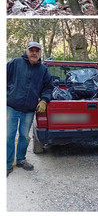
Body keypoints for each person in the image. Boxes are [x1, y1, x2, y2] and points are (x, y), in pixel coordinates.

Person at [7, 41, 53, 177]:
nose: (34, 53)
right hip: (12, 106)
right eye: (31, 50)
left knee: (24, 136)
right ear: (26, 51)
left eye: (37, 51)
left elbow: (49, 87)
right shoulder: (15, 63)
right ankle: (7, 164)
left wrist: (44, 100)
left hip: (29, 109)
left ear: (40, 54)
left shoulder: (43, 70)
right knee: (9, 136)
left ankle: (21, 159)